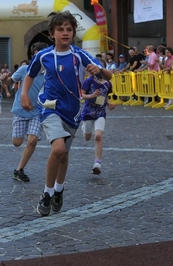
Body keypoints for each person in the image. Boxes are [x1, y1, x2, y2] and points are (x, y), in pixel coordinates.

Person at [20, 10, 112, 216]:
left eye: (68, 29)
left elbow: (108, 75)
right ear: (52, 33)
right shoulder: (43, 56)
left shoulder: (79, 55)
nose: (65, 33)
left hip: (72, 112)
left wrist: (99, 71)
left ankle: (59, 190)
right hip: (49, 107)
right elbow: (30, 75)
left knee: (64, 154)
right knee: (58, 149)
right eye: (60, 29)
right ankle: (47, 193)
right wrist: (24, 94)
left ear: (73, 33)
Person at [3, 42, 49, 182]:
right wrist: (5, 79)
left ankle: (19, 170)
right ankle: (19, 168)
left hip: (38, 111)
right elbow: (12, 80)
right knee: (17, 142)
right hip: (21, 110)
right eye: (38, 54)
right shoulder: (24, 69)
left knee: (32, 140)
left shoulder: (48, 72)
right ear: (34, 54)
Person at [81, 58, 116, 174]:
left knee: (98, 136)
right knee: (87, 137)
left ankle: (97, 163)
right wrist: (91, 95)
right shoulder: (89, 81)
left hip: (100, 112)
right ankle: (84, 129)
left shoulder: (107, 83)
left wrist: (109, 103)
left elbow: (105, 95)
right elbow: (82, 95)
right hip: (88, 112)